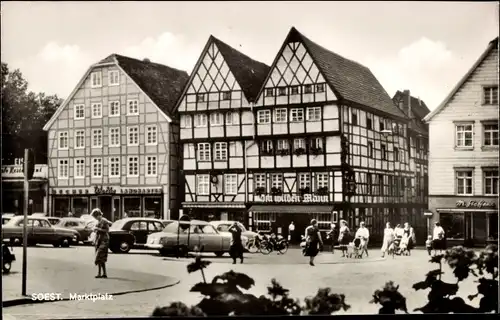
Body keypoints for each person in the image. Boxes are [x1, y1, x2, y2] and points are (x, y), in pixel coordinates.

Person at [92, 208, 111, 278]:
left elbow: (107, 230)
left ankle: (102, 273)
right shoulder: (97, 222)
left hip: (104, 240)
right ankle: (102, 273)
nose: (96, 218)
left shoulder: (104, 221)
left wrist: (98, 229)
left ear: (99, 215)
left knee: (99, 255)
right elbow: (96, 230)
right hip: (98, 240)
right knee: (101, 258)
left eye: (96, 216)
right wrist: (95, 230)